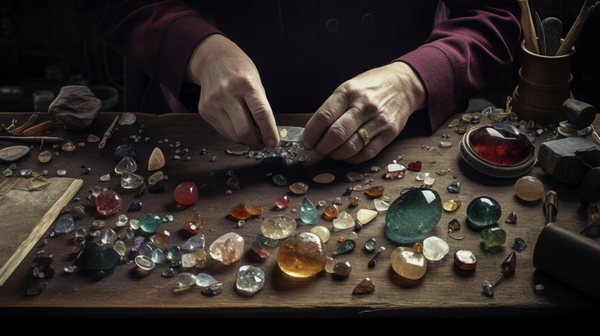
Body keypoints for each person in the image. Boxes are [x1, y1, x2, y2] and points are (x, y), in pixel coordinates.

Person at [78, 1, 521, 163]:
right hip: (205, 140)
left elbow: (494, 14)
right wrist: (200, 49)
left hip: (407, 139)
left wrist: (412, 79)